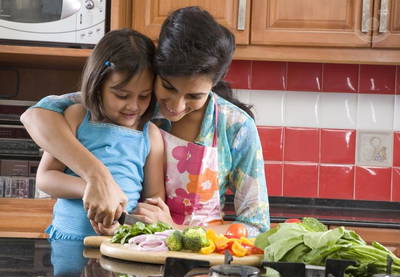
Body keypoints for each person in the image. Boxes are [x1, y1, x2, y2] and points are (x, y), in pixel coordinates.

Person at [21, 7, 270, 237]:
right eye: (167, 87)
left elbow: (257, 227)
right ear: (156, 70)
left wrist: (175, 230)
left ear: (213, 84)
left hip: (197, 259)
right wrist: (97, 176)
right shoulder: (136, 104)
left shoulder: (235, 127)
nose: (176, 105)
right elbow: (35, 115)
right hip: (128, 245)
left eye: (194, 96)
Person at [34, 28, 165, 240]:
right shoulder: (76, 116)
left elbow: (153, 204)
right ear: (97, 84)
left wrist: (125, 228)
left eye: (144, 96)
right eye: (122, 95)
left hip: (122, 243)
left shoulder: (151, 135)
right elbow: (45, 177)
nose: (133, 106)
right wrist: (93, 187)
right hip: (67, 237)